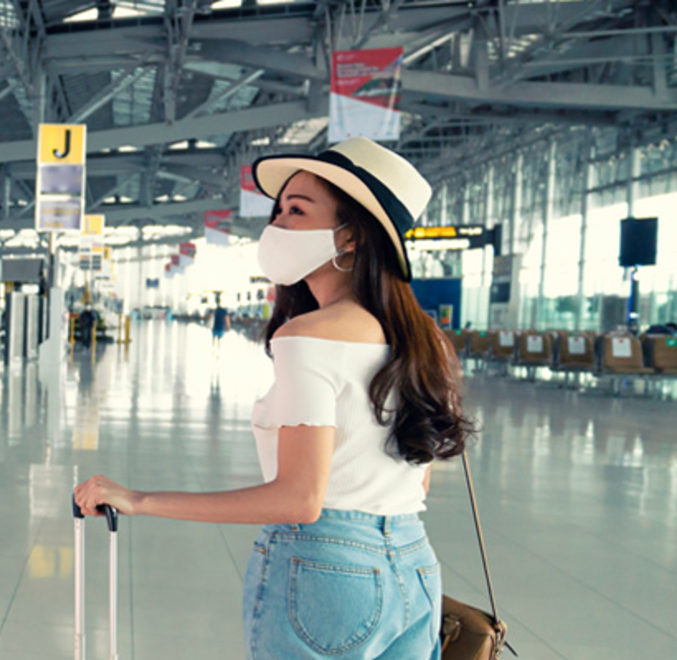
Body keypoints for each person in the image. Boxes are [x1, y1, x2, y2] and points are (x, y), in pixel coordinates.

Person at [75, 137, 473, 659]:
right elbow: (415, 472)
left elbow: (299, 500)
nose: (276, 225)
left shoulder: (307, 336)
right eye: (278, 210)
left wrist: (141, 500)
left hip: (326, 574)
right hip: (414, 567)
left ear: (350, 236)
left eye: (296, 210)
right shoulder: (426, 341)